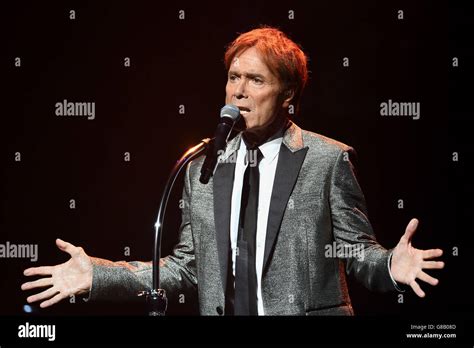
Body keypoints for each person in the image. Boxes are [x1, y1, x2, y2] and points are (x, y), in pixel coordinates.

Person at [21, 27, 444, 315]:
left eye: (256, 80)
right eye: (233, 77)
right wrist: (99, 273)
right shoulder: (202, 164)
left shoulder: (327, 160)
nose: (239, 90)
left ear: (288, 93)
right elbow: (184, 268)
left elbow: (356, 253)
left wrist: (391, 265)